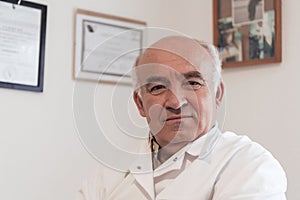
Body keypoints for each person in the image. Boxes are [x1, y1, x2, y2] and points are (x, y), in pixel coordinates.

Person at [78, 36, 287, 199]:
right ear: (140, 104)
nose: (176, 102)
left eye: (193, 83)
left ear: (217, 94)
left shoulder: (249, 164)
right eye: (158, 87)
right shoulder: (108, 172)